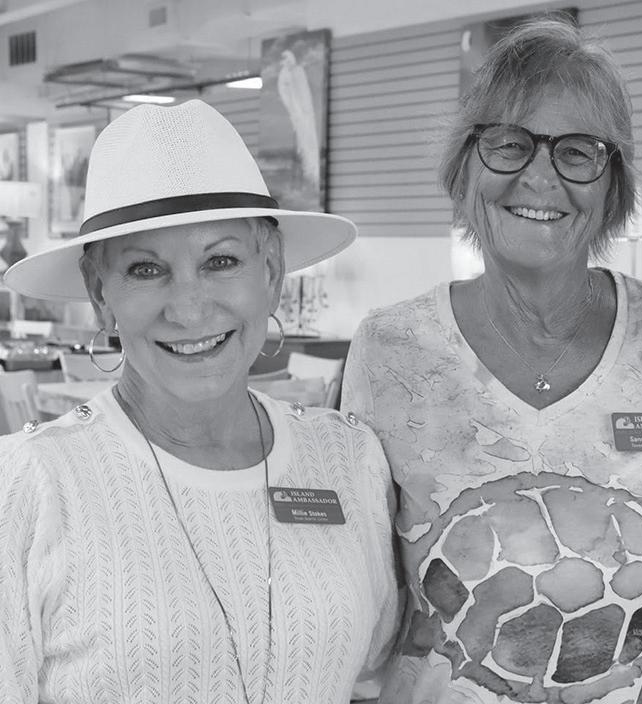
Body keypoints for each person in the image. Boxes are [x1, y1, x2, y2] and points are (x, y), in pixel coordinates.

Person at [342, 18, 642, 704]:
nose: (540, 176)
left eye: (578, 152)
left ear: (613, 184)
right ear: (466, 165)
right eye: (509, 144)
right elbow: (358, 584)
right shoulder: (391, 348)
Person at [0, 99, 399, 703]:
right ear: (100, 294)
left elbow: (374, 677)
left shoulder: (348, 460)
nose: (188, 309)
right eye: (145, 269)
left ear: (272, 274)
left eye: (220, 261)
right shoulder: (32, 485)